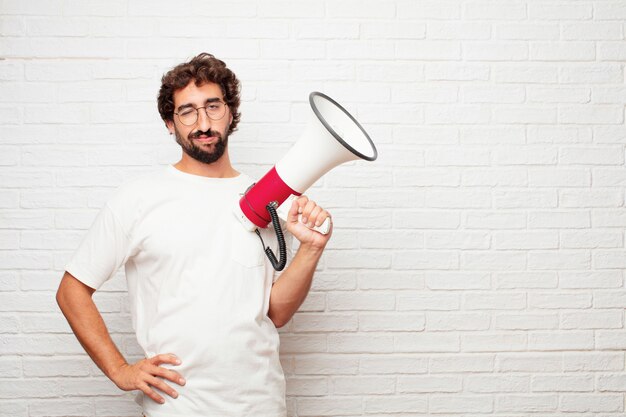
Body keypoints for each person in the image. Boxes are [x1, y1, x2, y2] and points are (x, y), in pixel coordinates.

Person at [56, 52, 332, 417]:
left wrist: (311, 248)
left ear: (231, 112)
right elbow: (71, 290)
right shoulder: (138, 197)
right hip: (177, 408)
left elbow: (276, 312)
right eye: (187, 111)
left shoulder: (268, 200)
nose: (203, 122)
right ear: (170, 124)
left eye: (213, 106)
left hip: (262, 405)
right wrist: (120, 370)